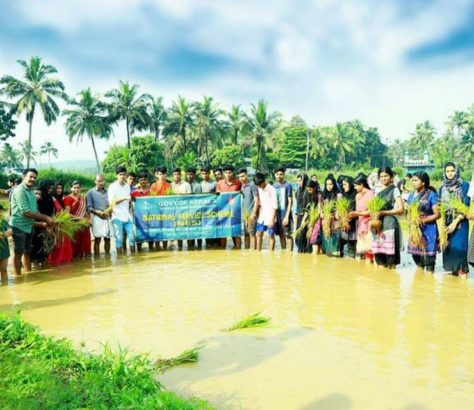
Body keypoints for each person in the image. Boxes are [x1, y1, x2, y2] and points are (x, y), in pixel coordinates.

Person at [9, 169, 54, 275]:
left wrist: (47, 218)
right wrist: (45, 218)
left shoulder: (30, 191)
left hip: (29, 226)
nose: (33, 179)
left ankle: (28, 275)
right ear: (24, 176)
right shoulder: (20, 190)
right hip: (18, 226)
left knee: (27, 252)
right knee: (18, 253)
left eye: (35, 177)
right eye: (31, 176)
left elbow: (35, 210)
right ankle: (18, 277)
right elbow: (26, 212)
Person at [438, 162, 470, 276]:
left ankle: (463, 282)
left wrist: (455, 223)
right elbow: (441, 207)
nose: (450, 173)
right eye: (448, 171)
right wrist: (442, 224)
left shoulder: (464, 185)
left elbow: (466, 205)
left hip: (460, 222)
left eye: (452, 171)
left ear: (456, 171)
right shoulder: (442, 188)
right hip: (446, 223)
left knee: (460, 251)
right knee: (450, 253)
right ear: (444, 173)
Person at [406, 172, 440, 272]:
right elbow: (408, 212)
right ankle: (419, 284)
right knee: (417, 259)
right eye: (412, 180)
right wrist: (409, 221)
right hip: (415, 230)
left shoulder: (431, 195)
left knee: (429, 260)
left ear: (423, 182)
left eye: (416, 180)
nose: (413, 182)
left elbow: (437, 214)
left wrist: (422, 220)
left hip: (429, 230)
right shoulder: (411, 195)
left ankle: (429, 282)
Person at [371, 166, 404, 269]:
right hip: (378, 224)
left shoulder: (394, 190)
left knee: (390, 255)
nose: (383, 178)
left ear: (391, 177)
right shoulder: (377, 191)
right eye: (381, 176)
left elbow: (400, 209)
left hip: (389, 224)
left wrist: (383, 212)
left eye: (386, 176)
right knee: (379, 254)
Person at [108, 166, 135, 254]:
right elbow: (112, 202)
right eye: (120, 174)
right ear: (116, 175)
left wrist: (130, 202)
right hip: (117, 217)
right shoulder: (112, 186)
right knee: (119, 239)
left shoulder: (127, 186)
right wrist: (124, 198)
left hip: (127, 216)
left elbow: (129, 201)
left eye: (124, 174)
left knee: (131, 237)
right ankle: (120, 259)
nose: (122, 176)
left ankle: (134, 257)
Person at [216, 165, 242, 249]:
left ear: (233, 173)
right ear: (223, 173)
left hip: (236, 211)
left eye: (230, 172)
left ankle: (238, 250)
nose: (228, 174)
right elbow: (217, 196)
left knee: (236, 232)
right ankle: (223, 250)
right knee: (223, 232)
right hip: (223, 211)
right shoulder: (219, 183)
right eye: (226, 173)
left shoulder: (238, 183)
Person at [86, 175, 113, 256]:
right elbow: (89, 207)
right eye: (99, 181)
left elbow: (112, 204)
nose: (101, 183)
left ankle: (108, 257)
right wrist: (98, 212)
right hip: (97, 217)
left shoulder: (108, 191)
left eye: (102, 181)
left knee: (108, 239)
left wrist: (109, 211)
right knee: (97, 239)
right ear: (95, 181)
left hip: (107, 217)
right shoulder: (90, 192)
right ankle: (97, 259)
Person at [64, 181, 91, 258]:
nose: (76, 189)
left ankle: (84, 261)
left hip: (84, 224)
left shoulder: (83, 198)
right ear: (70, 188)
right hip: (74, 224)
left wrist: (88, 220)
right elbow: (67, 214)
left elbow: (86, 211)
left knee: (85, 244)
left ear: (80, 188)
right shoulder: (67, 198)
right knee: (76, 244)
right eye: (74, 188)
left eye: (78, 188)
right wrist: (79, 219)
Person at [31, 180, 55, 265]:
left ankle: (42, 263)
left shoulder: (49, 197)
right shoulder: (33, 201)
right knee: (35, 244)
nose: (51, 190)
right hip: (35, 225)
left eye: (52, 188)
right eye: (49, 188)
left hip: (46, 224)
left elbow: (51, 211)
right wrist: (43, 221)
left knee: (44, 245)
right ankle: (35, 263)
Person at [351, 175, 375, 262]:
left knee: (371, 249)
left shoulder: (370, 194)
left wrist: (356, 213)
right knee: (364, 250)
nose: (354, 187)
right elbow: (358, 211)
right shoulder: (357, 196)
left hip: (369, 224)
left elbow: (372, 211)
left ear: (361, 184)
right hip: (360, 224)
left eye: (356, 185)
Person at [253, 172, 277, 251]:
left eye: (261, 184)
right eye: (258, 185)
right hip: (262, 216)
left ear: (264, 181)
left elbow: (275, 206)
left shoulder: (272, 189)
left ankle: (271, 254)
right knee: (259, 234)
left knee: (270, 236)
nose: (260, 187)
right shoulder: (258, 187)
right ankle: (258, 252)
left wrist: (272, 220)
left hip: (270, 216)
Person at [131, 172, 154, 252]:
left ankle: (151, 252)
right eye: (141, 180)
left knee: (150, 237)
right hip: (138, 218)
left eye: (144, 180)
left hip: (150, 217)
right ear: (138, 181)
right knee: (139, 237)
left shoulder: (151, 191)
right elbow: (130, 204)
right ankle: (139, 252)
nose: (143, 181)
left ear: (147, 180)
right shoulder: (134, 193)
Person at [150, 166, 171, 250]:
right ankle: (158, 248)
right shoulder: (153, 185)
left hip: (166, 212)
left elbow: (171, 199)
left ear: (166, 175)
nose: (162, 176)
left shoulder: (169, 185)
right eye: (160, 174)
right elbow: (152, 199)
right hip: (156, 212)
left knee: (165, 231)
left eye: (163, 174)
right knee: (157, 230)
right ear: (157, 175)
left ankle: (165, 248)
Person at [320, 175, 342, 257]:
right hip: (326, 222)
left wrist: (336, 214)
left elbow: (340, 208)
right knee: (327, 242)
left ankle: (336, 259)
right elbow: (320, 208)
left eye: (331, 184)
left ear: (334, 184)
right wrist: (321, 213)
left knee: (335, 243)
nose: (329, 186)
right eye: (327, 184)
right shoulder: (323, 195)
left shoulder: (338, 195)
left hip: (335, 222)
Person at [274, 167, 294, 250]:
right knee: (281, 234)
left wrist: (287, 216)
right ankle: (284, 253)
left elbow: (290, 201)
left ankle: (290, 254)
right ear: (275, 175)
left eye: (281, 174)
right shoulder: (273, 186)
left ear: (284, 175)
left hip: (285, 214)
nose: (279, 176)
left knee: (288, 235)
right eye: (277, 174)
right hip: (277, 214)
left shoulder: (288, 185)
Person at [238, 168, 258, 249]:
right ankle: (247, 252)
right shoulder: (241, 186)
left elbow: (257, 199)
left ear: (247, 175)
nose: (241, 178)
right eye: (239, 177)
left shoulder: (252, 185)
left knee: (252, 234)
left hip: (251, 213)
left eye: (243, 176)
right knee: (246, 235)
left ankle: (254, 253)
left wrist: (254, 214)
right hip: (245, 214)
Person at [339, 176, 357, 258]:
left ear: (350, 184)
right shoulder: (344, 195)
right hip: (346, 224)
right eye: (342, 185)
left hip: (356, 224)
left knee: (356, 246)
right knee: (349, 245)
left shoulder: (356, 195)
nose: (343, 186)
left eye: (345, 184)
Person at [294, 173, 311, 253]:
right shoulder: (297, 192)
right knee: (297, 238)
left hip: (306, 216)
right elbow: (296, 207)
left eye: (300, 181)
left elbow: (308, 208)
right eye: (297, 181)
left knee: (303, 237)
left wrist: (303, 220)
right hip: (299, 216)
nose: (298, 182)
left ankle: (305, 254)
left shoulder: (307, 192)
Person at [0, 205, 13, 280]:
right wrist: (5, 234)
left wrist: (2, 234)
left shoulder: (4, 222)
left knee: (4, 270)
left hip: (4, 250)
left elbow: (10, 232)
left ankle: (5, 288)